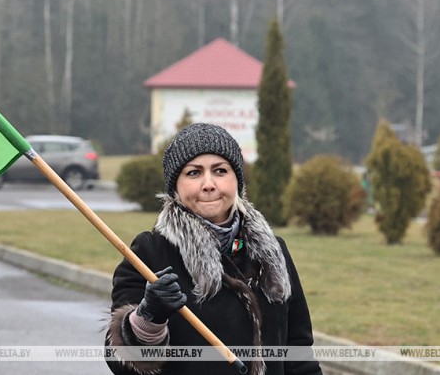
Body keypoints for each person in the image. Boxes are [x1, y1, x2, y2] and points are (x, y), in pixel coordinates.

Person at [104, 123, 322, 375]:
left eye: (220, 171)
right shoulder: (149, 252)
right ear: (175, 187)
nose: (208, 184)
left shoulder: (273, 251)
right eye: (194, 173)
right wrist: (148, 316)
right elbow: (121, 362)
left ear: (236, 181)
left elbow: (298, 350)